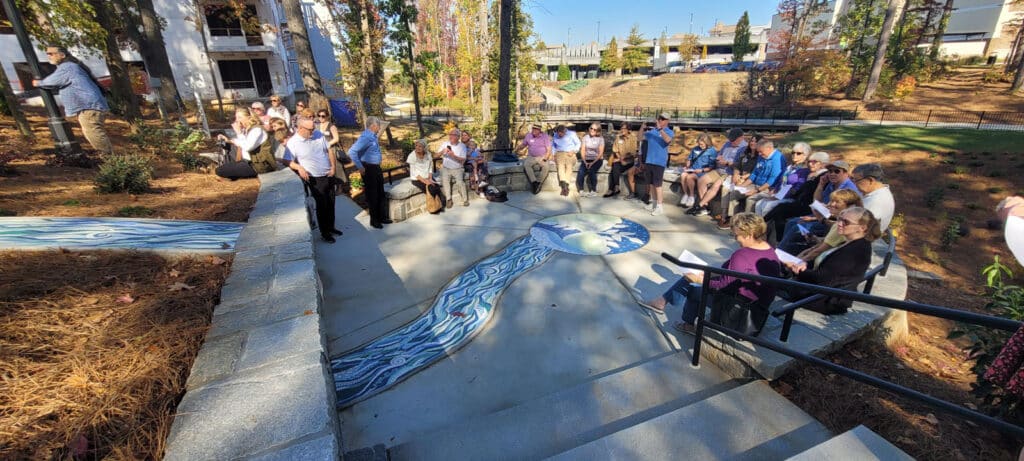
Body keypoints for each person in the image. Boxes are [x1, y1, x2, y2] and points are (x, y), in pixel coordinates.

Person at [641, 213, 782, 334]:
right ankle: (662, 301)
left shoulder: (742, 255)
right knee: (695, 276)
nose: (735, 239)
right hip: (756, 304)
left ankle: (689, 324)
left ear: (749, 235)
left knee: (693, 287)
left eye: (737, 235)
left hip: (739, 309)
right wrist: (705, 275)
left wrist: (699, 280)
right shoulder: (768, 249)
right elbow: (734, 277)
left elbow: (723, 285)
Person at [785, 207, 881, 315]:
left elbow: (823, 279)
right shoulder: (849, 242)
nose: (839, 223)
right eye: (839, 219)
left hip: (825, 300)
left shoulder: (855, 250)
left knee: (771, 283)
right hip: (821, 292)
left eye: (846, 222)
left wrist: (796, 269)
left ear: (862, 228)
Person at [32, 46, 113, 155]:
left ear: (62, 55)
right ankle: (111, 160)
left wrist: (39, 83)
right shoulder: (71, 66)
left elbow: (52, 81)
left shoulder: (68, 67)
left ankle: (109, 160)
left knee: (93, 132)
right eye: (47, 53)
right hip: (89, 105)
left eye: (51, 53)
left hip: (88, 105)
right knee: (93, 131)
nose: (48, 56)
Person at [284, 117, 340, 243]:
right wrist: (299, 167)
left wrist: (333, 167)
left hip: (328, 174)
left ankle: (331, 227)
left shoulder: (318, 134)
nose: (313, 131)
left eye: (313, 128)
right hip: (314, 178)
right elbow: (287, 160)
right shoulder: (293, 142)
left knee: (331, 202)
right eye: (310, 129)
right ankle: (325, 233)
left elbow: (328, 150)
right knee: (322, 205)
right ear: (300, 128)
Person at [764, 151, 830, 242]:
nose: (810, 164)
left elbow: (811, 194)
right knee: (779, 212)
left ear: (823, 164)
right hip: (799, 202)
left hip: (809, 207)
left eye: (814, 162)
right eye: (809, 162)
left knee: (781, 208)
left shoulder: (823, 176)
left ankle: (763, 226)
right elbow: (797, 190)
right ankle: (776, 239)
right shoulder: (811, 174)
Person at [687, 128, 747, 216]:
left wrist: (727, 162)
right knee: (701, 181)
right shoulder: (727, 144)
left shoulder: (744, 148)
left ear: (741, 138)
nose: (731, 142)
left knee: (715, 186)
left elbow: (740, 166)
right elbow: (720, 154)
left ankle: (699, 206)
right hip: (718, 169)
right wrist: (718, 158)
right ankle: (705, 207)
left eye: (733, 140)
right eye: (730, 140)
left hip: (729, 172)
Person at [793, 189, 863, 263]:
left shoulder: (842, 226)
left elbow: (818, 251)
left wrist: (796, 263)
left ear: (849, 206)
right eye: (831, 201)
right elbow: (831, 242)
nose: (830, 204)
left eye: (837, 202)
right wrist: (816, 239)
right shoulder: (841, 222)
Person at [348, 116, 392, 229]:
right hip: (369, 169)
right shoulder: (366, 137)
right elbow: (352, 152)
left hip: (376, 168)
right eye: (379, 126)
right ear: (373, 126)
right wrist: (360, 167)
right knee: (373, 195)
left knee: (380, 193)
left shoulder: (373, 136)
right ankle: (374, 220)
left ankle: (382, 217)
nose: (379, 128)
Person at [754, 142, 812, 217]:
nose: (794, 155)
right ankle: (758, 226)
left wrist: (779, 197)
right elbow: (780, 181)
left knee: (768, 206)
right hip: (779, 194)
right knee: (759, 203)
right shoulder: (789, 167)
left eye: (798, 153)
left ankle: (767, 227)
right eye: (793, 152)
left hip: (790, 197)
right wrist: (774, 190)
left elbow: (797, 188)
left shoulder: (805, 170)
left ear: (805, 155)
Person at [214, 107, 268, 180]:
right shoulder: (247, 129)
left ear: (248, 118)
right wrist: (228, 140)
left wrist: (238, 132)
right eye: (236, 117)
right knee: (222, 168)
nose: (237, 120)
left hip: (259, 164)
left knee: (220, 171)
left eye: (240, 117)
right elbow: (242, 142)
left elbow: (247, 146)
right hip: (248, 161)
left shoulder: (257, 130)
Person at [642, 113, 675, 216]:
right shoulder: (652, 131)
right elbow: (639, 138)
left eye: (663, 119)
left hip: (659, 162)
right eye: (659, 118)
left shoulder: (669, 131)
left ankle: (660, 206)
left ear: (667, 121)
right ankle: (654, 203)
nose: (660, 120)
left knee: (658, 185)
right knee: (651, 184)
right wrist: (641, 127)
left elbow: (668, 140)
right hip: (649, 160)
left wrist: (660, 129)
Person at [851, 163, 895, 232]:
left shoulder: (877, 202)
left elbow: (859, 228)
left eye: (856, 180)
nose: (854, 184)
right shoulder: (879, 192)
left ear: (870, 180)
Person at [677, 133, 717, 207]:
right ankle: (686, 194)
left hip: (703, 171)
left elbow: (712, 166)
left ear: (707, 143)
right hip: (693, 169)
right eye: (699, 144)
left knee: (690, 177)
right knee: (683, 175)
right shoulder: (695, 149)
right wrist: (687, 166)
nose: (700, 146)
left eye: (702, 144)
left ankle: (692, 196)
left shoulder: (712, 151)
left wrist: (701, 170)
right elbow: (689, 159)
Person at [408, 139, 443, 213]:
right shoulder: (412, 156)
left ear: (424, 147)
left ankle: (438, 206)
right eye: (416, 146)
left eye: (420, 146)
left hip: (427, 176)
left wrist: (430, 178)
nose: (417, 147)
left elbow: (430, 167)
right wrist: (425, 181)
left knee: (436, 186)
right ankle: (433, 208)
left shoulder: (428, 154)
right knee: (431, 188)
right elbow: (414, 172)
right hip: (417, 179)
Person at [438, 128, 469, 207]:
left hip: (458, 168)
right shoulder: (445, 144)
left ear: (458, 137)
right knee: (445, 182)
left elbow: (463, 159)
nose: (450, 136)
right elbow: (435, 155)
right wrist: (442, 151)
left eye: (453, 135)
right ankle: (449, 200)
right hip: (446, 168)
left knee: (460, 183)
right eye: (450, 134)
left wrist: (453, 155)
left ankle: (465, 199)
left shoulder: (462, 146)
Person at [518, 123, 552, 194]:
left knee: (546, 167)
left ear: (539, 130)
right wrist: (519, 148)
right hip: (531, 157)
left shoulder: (545, 136)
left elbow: (549, 149)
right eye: (533, 129)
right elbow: (524, 144)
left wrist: (545, 158)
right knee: (526, 165)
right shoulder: (528, 135)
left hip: (542, 156)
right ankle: (534, 183)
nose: (533, 130)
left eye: (535, 129)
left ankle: (539, 182)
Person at [605, 123, 637, 198]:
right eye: (621, 128)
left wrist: (622, 158)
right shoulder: (618, 137)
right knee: (615, 166)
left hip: (629, 161)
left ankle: (611, 189)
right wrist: (620, 159)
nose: (622, 130)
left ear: (628, 129)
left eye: (624, 128)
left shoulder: (633, 138)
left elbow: (633, 152)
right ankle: (616, 186)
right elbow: (615, 150)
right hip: (620, 160)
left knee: (615, 166)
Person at [551, 125, 581, 196]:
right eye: (558, 133)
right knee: (560, 167)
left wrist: (573, 151)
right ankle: (565, 187)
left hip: (570, 153)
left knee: (569, 166)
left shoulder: (572, 134)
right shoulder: (555, 135)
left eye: (561, 133)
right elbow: (553, 145)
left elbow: (578, 143)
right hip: (559, 153)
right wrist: (552, 154)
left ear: (565, 131)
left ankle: (565, 186)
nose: (560, 135)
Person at [577, 123, 606, 197]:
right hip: (586, 159)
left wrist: (592, 163)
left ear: (598, 131)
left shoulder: (601, 139)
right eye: (591, 128)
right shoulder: (585, 137)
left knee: (592, 171)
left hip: (597, 159)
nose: (592, 130)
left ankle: (593, 190)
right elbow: (583, 150)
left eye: (594, 129)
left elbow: (600, 153)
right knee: (581, 172)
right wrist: (585, 161)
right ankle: (581, 190)